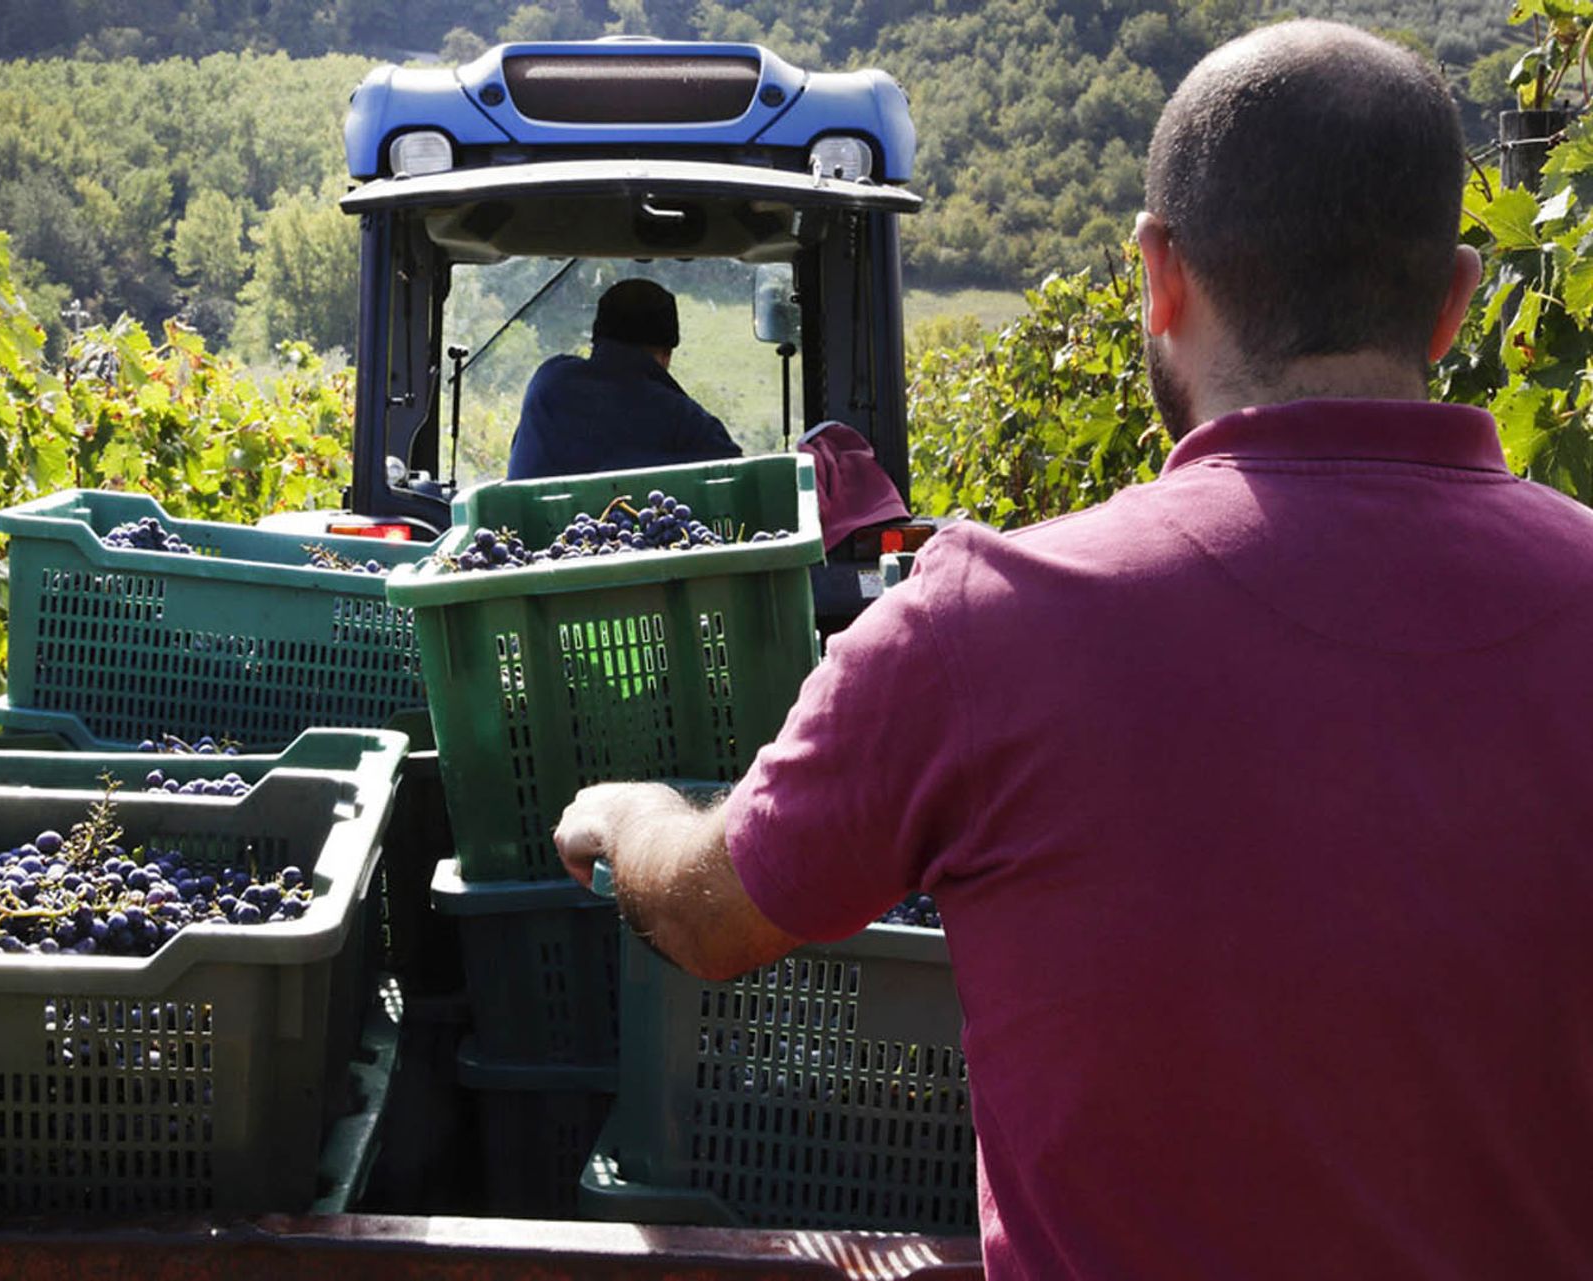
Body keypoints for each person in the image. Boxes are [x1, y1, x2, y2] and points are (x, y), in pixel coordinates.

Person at [554, 20, 1593, 1278]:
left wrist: (629, 815)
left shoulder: (982, 626)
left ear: (1157, 276)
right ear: (1455, 303)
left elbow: (716, 919)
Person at [506, 278, 741, 480]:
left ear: (596, 341)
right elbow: (736, 476)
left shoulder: (549, 381)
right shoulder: (684, 420)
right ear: (666, 354)